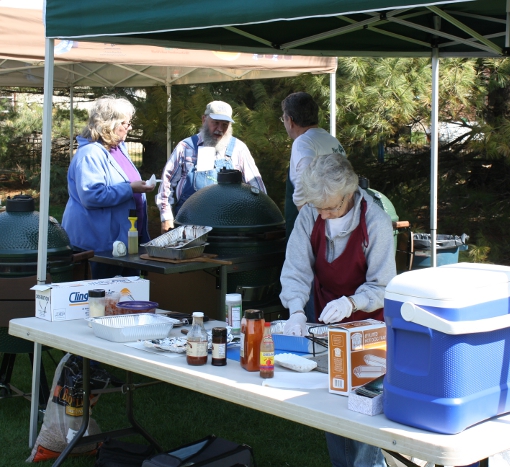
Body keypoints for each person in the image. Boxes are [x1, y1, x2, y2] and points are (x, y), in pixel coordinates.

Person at [279, 153, 395, 467]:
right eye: (320, 208)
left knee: (361, 420)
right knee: (333, 410)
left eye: (332, 207)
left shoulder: (376, 223)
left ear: (349, 193)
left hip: (368, 329)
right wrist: (296, 311)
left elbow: (384, 285)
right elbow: (296, 270)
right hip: (327, 324)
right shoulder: (310, 216)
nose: (326, 215)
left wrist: (353, 302)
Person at [62, 96, 155, 279]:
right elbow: (92, 196)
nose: (129, 127)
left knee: (127, 296)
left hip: (123, 241)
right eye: (125, 123)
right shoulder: (90, 153)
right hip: (99, 244)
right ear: (109, 124)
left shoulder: (118, 148)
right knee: (104, 299)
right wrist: (130, 188)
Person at [156, 100, 266, 233]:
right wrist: (166, 218)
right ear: (204, 120)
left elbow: (257, 188)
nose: (220, 129)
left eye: (225, 125)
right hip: (188, 226)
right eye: (216, 123)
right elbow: (167, 184)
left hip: (227, 229)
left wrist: (259, 217)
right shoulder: (186, 147)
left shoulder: (239, 149)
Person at [281, 92, 346, 237]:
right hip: (337, 223)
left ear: (290, 121)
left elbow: (305, 179)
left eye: (283, 119)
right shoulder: (332, 141)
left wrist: (310, 228)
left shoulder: (302, 142)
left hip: (311, 230)